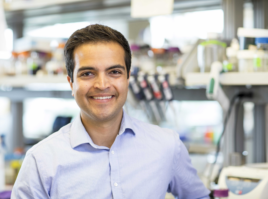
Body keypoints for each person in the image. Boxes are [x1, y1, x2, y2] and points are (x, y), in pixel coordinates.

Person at [11, 24, 210, 199]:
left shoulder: (167, 146)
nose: (102, 84)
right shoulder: (42, 161)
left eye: (114, 72)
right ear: (71, 83)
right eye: (88, 73)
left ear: (127, 78)